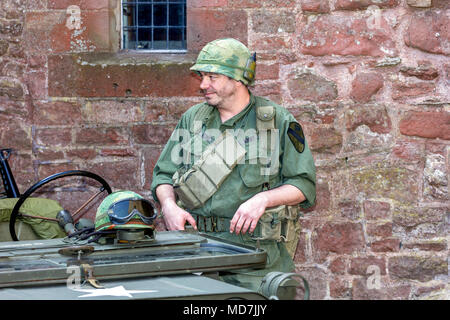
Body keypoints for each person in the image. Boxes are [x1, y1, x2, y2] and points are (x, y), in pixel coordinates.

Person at [151, 38, 316, 292]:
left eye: (212, 77)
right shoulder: (193, 120)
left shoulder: (277, 122)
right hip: (194, 253)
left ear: (237, 79)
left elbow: (303, 185)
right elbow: (163, 175)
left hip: (255, 259)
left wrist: (263, 199)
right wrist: (169, 206)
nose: (203, 85)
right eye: (202, 77)